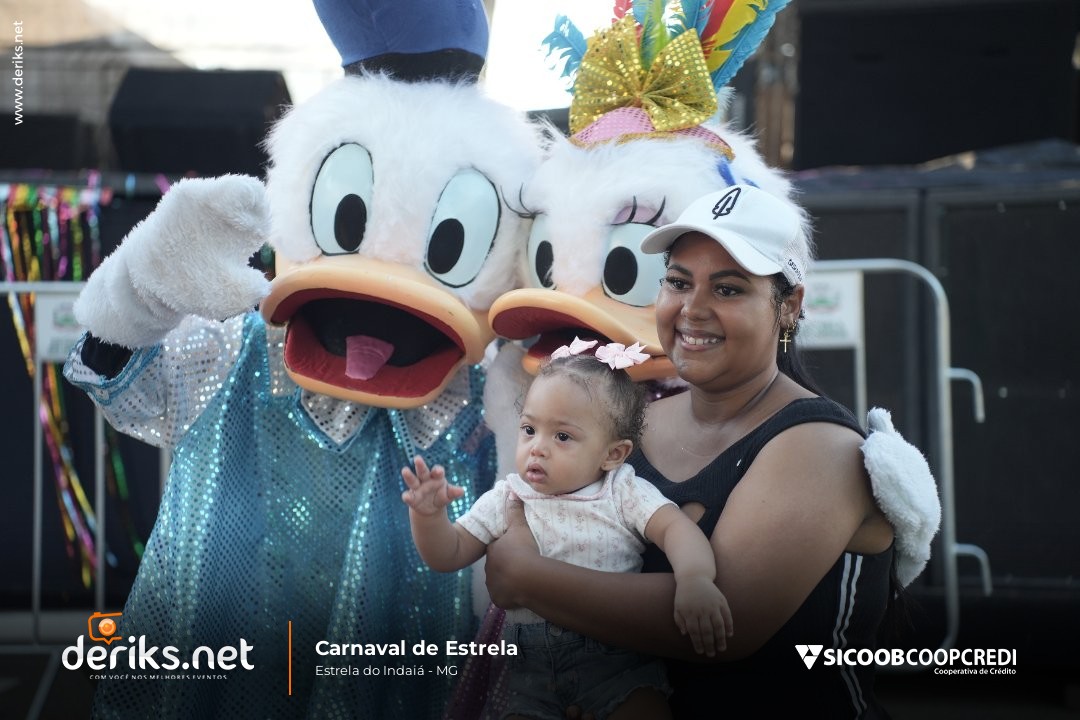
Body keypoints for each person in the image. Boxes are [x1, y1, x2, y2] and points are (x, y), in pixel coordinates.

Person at [482, 185, 904, 719]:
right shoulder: (633, 424)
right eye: (678, 282)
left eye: (728, 289)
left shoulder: (823, 447)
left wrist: (527, 578)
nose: (692, 309)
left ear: (789, 307)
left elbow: (727, 624)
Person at [401, 345, 733, 720]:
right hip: (531, 679)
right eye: (529, 430)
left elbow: (674, 528)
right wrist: (429, 517)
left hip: (616, 664)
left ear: (612, 454)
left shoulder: (621, 491)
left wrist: (694, 578)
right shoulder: (509, 497)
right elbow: (449, 554)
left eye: (562, 436)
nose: (537, 448)